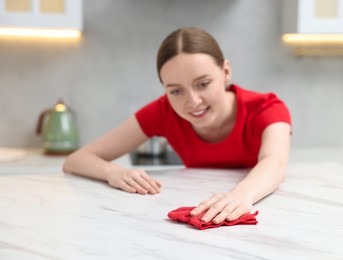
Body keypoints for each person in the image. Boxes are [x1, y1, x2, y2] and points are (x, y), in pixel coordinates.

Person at [63, 27, 291, 225]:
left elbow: (275, 163)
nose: (192, 101)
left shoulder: (267, 107)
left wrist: (241, 195)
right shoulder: (163, 111)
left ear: (226, 72)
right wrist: (112, 172)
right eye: (176, 90)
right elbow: (76, 160)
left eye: (203, 84)